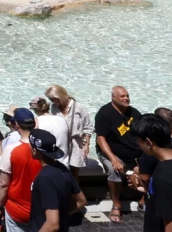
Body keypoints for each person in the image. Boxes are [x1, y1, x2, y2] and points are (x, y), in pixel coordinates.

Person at [95, 86, 142, 223]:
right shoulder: (105, 113)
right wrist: (113, 159)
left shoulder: (134, 113)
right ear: (113, 98)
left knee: (155, 166)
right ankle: (116, 204)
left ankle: (144, 199)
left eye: (127, 95)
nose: (126, 98)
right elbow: (100, 139)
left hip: (134, 153)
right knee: (113, 170)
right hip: (113, 152)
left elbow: (141, 133)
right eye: (122, 96)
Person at [28, 129, 86, 232]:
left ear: (35, 150)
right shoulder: (62, 168)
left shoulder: (44, 178)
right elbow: (82, 201)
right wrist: (63, 216)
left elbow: (52, 224)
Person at [0, 108, 42, 232]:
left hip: (18, 209)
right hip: (42, 209)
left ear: (16, 125)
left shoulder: (11, 149)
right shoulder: (44, 148)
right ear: (35, 123)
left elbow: (3, 184)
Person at [132, 113, 172, 232]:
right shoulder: (162, 169)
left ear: (149, 143)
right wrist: (146, 190)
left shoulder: (163, 177)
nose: (137, 144)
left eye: (138, 141)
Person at [45, 85, 94, 180]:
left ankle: (74, 193)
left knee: (74, 174)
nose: (52, 102)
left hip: (76, 144)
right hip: (60, 143)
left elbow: (88, 127)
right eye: (50, 99)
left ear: (60, 96)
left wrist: (86, 145)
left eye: (53, 99)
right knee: (60, 171)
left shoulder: (79, 107)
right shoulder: (54, 107)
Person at [30, 97, 70, 167]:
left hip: (48, 165)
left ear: (35, 109)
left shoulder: (36, 122)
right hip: (64, 163)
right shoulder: (62, 120)